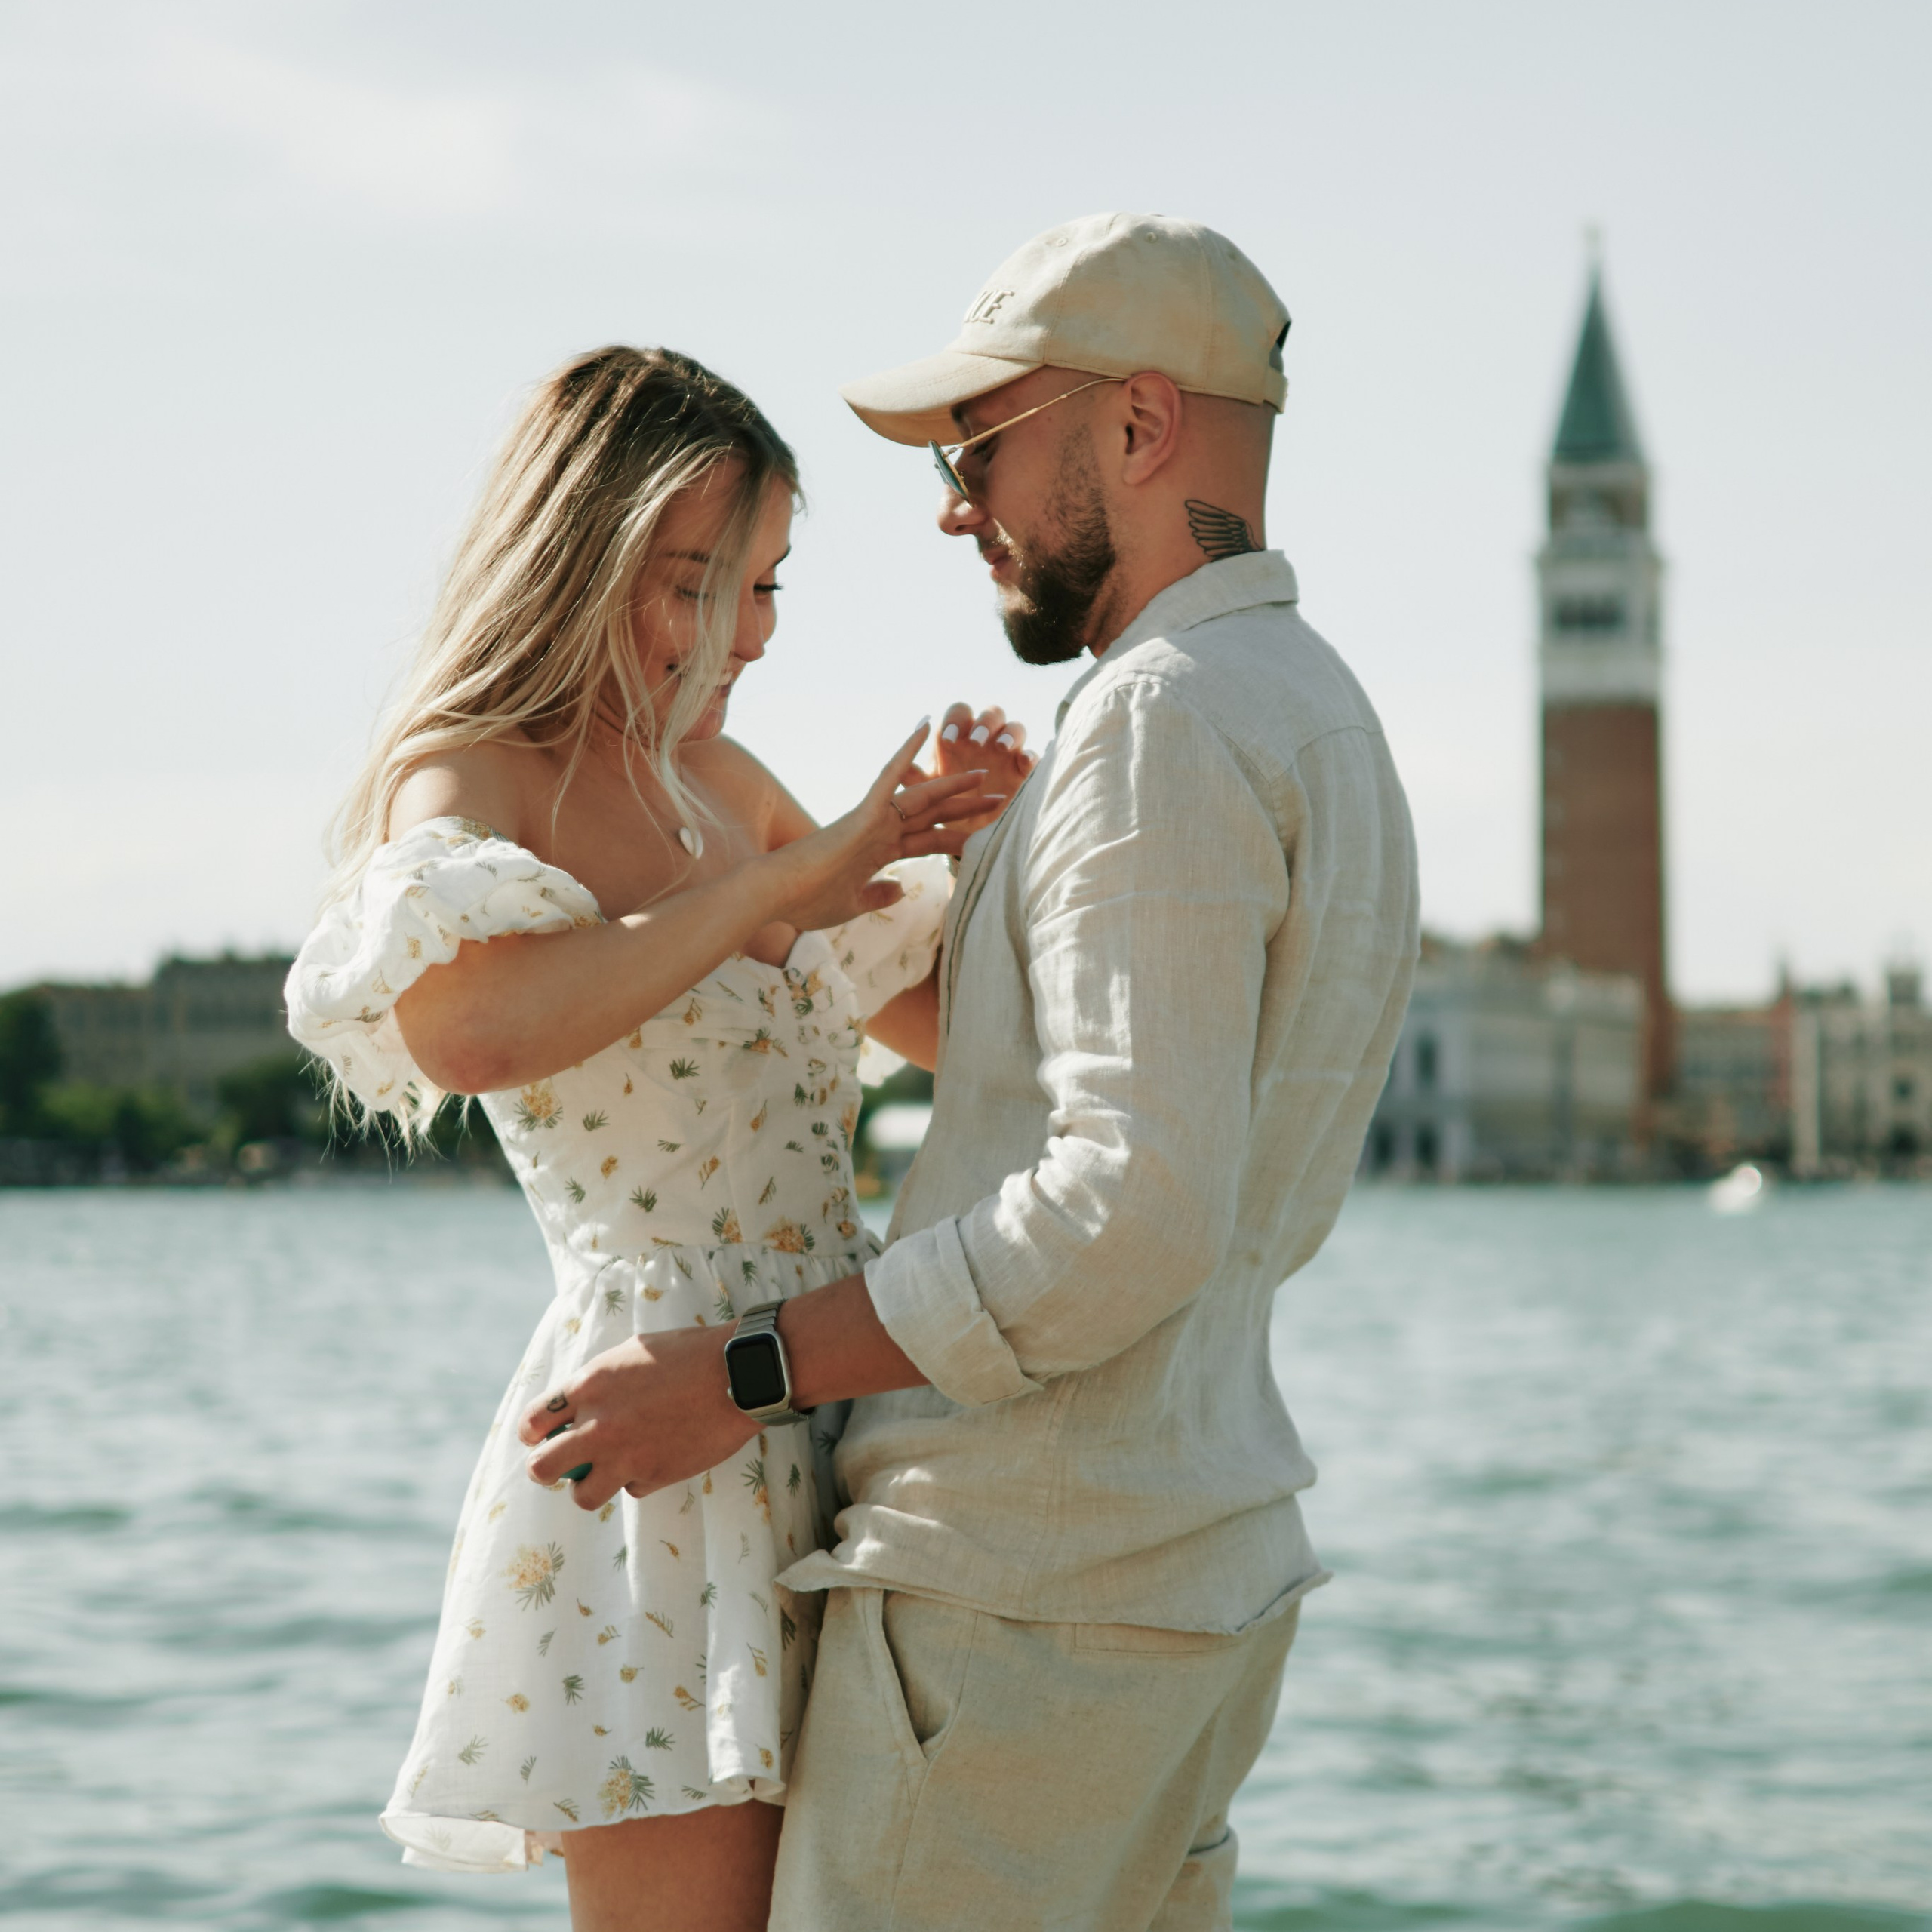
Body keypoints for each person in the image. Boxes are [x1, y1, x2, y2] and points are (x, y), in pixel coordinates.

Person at [521, 214, 1421, 1929]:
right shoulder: (1313, 707)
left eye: (979, 448)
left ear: (1140, 429)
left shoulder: (1160, 719)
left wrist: (744, 1363)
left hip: (1028, 1598)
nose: (954, 507)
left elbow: (1124, 1211)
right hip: (1185, 1580)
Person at [282, 345, 1031, 1931]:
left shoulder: (723, 780)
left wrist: (994, 838)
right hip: (652, 1443)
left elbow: (958, 1033)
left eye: (766, 587)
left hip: (836, 1386)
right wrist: (774, 880)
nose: (743, 634)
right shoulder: (473, 775)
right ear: (580, 554)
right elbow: (471, 1028)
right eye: (699, 583)